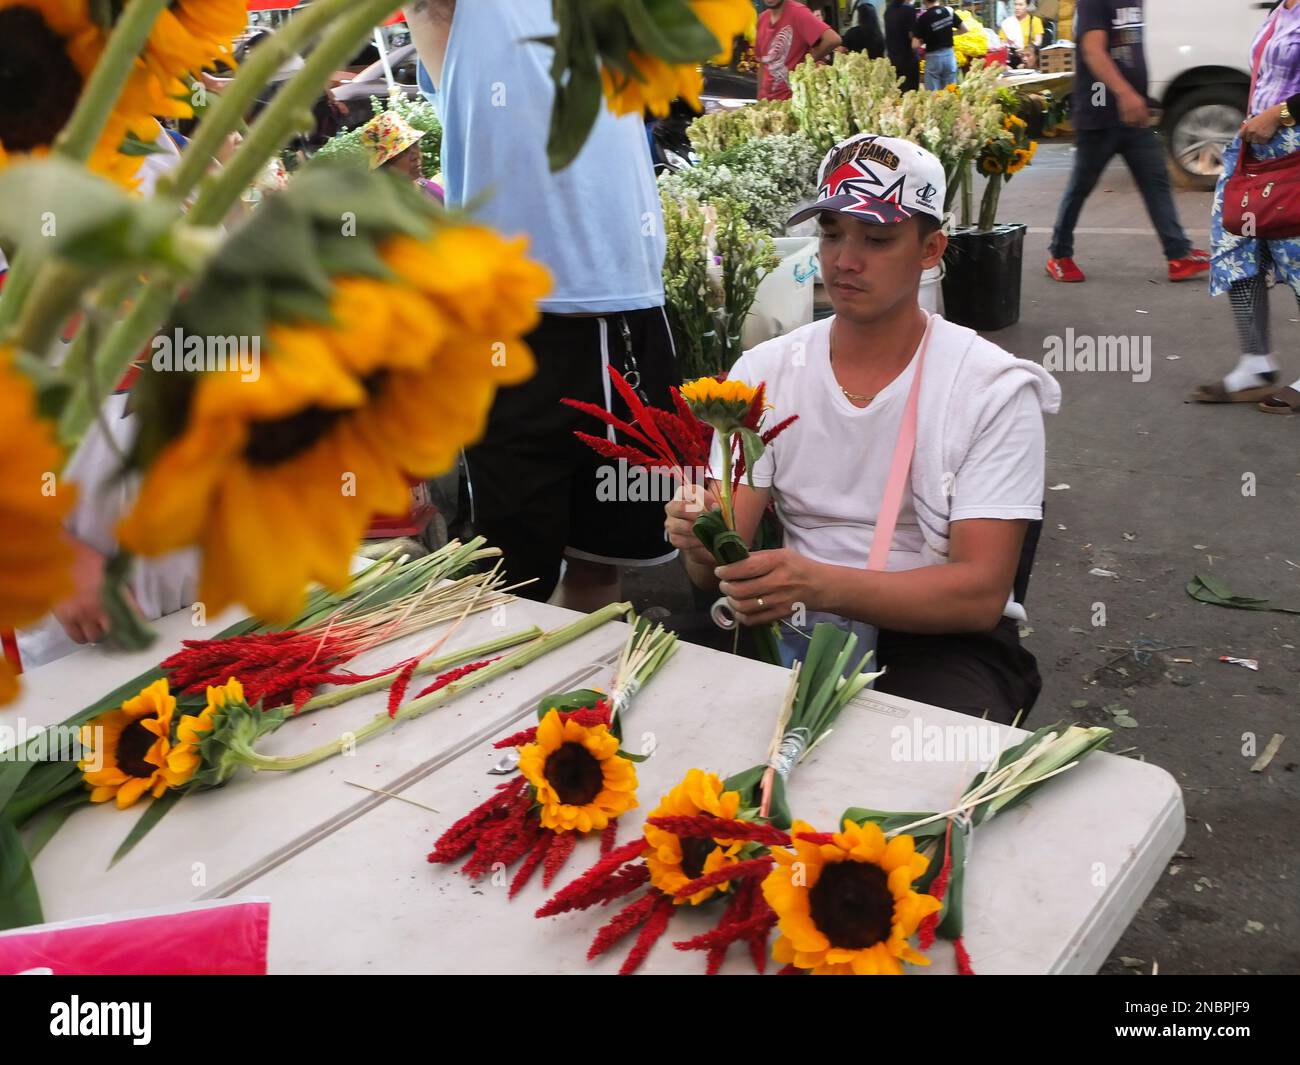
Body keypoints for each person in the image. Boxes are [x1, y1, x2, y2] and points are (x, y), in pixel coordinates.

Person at [664, 133, 1059, 724]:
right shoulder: (766, 370)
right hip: (789, 613)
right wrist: (701, 543)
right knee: (665, 720)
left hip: (932, 630)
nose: (845, 260)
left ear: (931, 249)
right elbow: (721, 567)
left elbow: (979, 596)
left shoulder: (991, 388)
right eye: (830, 234)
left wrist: (817, 584)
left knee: (917, 775)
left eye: (876, 239)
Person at [406, 0, 677, 611]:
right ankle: (521, 695)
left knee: (602, 568)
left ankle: (575, 702)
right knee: (513, 578)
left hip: (625, 310)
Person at [1046, 0, 1209, 284]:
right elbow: (1093, 51)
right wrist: (1125, 94)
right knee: (1081, 186)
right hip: (1099, 115)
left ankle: (1178, 254)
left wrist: (1140, 98)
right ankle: (1059, 255)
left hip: (1134, 115)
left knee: (1156, 181)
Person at [1193, 0, 1300, 412]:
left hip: (1293, 151)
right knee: (1238, 245)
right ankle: (1256, 360)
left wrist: (1280, 113)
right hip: (1258, 149)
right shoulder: (1281, 7)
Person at [755, 0, 841, 101]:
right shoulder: (762, 19)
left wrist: (806, 64)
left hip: (792, 101)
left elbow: (832, 39)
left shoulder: (798, 13)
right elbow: (762, 64)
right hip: (767, 104)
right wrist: (759, 99)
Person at [357, 109, 444, 201]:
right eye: (403, 151)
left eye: (415, 145)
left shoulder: (432, 190)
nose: (415, 155)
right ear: (384, 167)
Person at [912, 1, 960, 91]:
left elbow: (915, 44)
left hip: (933, 58)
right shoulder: (949, 11)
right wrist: (949, 34)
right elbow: (965, 29)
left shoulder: (923, 18)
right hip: (949, 55)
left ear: (924, 1)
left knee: (933, 95)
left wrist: (925, 39)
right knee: (951, 93)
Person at [885, 0, 921, 92]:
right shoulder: (909, 10)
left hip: (893, 59)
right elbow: (912, 36)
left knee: (899, 91)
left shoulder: (888, 10)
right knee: (911, 93)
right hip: (908, 59)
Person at [999, 0, 1045, 67]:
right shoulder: (1007, 23)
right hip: (1012, 58)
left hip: (1027, 58)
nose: (1017, 7)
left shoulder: (1034, 21)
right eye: (1015, 4)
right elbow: (1002, 43)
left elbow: (1038, 41)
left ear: (1027, 6)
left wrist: (1025, 49)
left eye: (1020, 5)